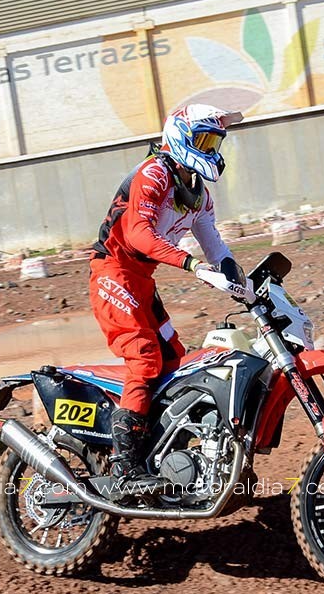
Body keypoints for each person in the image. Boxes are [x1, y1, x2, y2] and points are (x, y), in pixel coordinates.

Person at [90, 104, 244, 496]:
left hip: (141, 280)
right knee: (144, 358)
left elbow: (216, 246)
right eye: (203, 140)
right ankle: (123, 469)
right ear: (179, 137)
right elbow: (139, 233)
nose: (210, 149)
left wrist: (242, 281)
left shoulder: (198, 195)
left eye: (215, 141)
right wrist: (190, 264)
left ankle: (158, 450)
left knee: (175, 359)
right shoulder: (153, 174)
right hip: (113, 272)